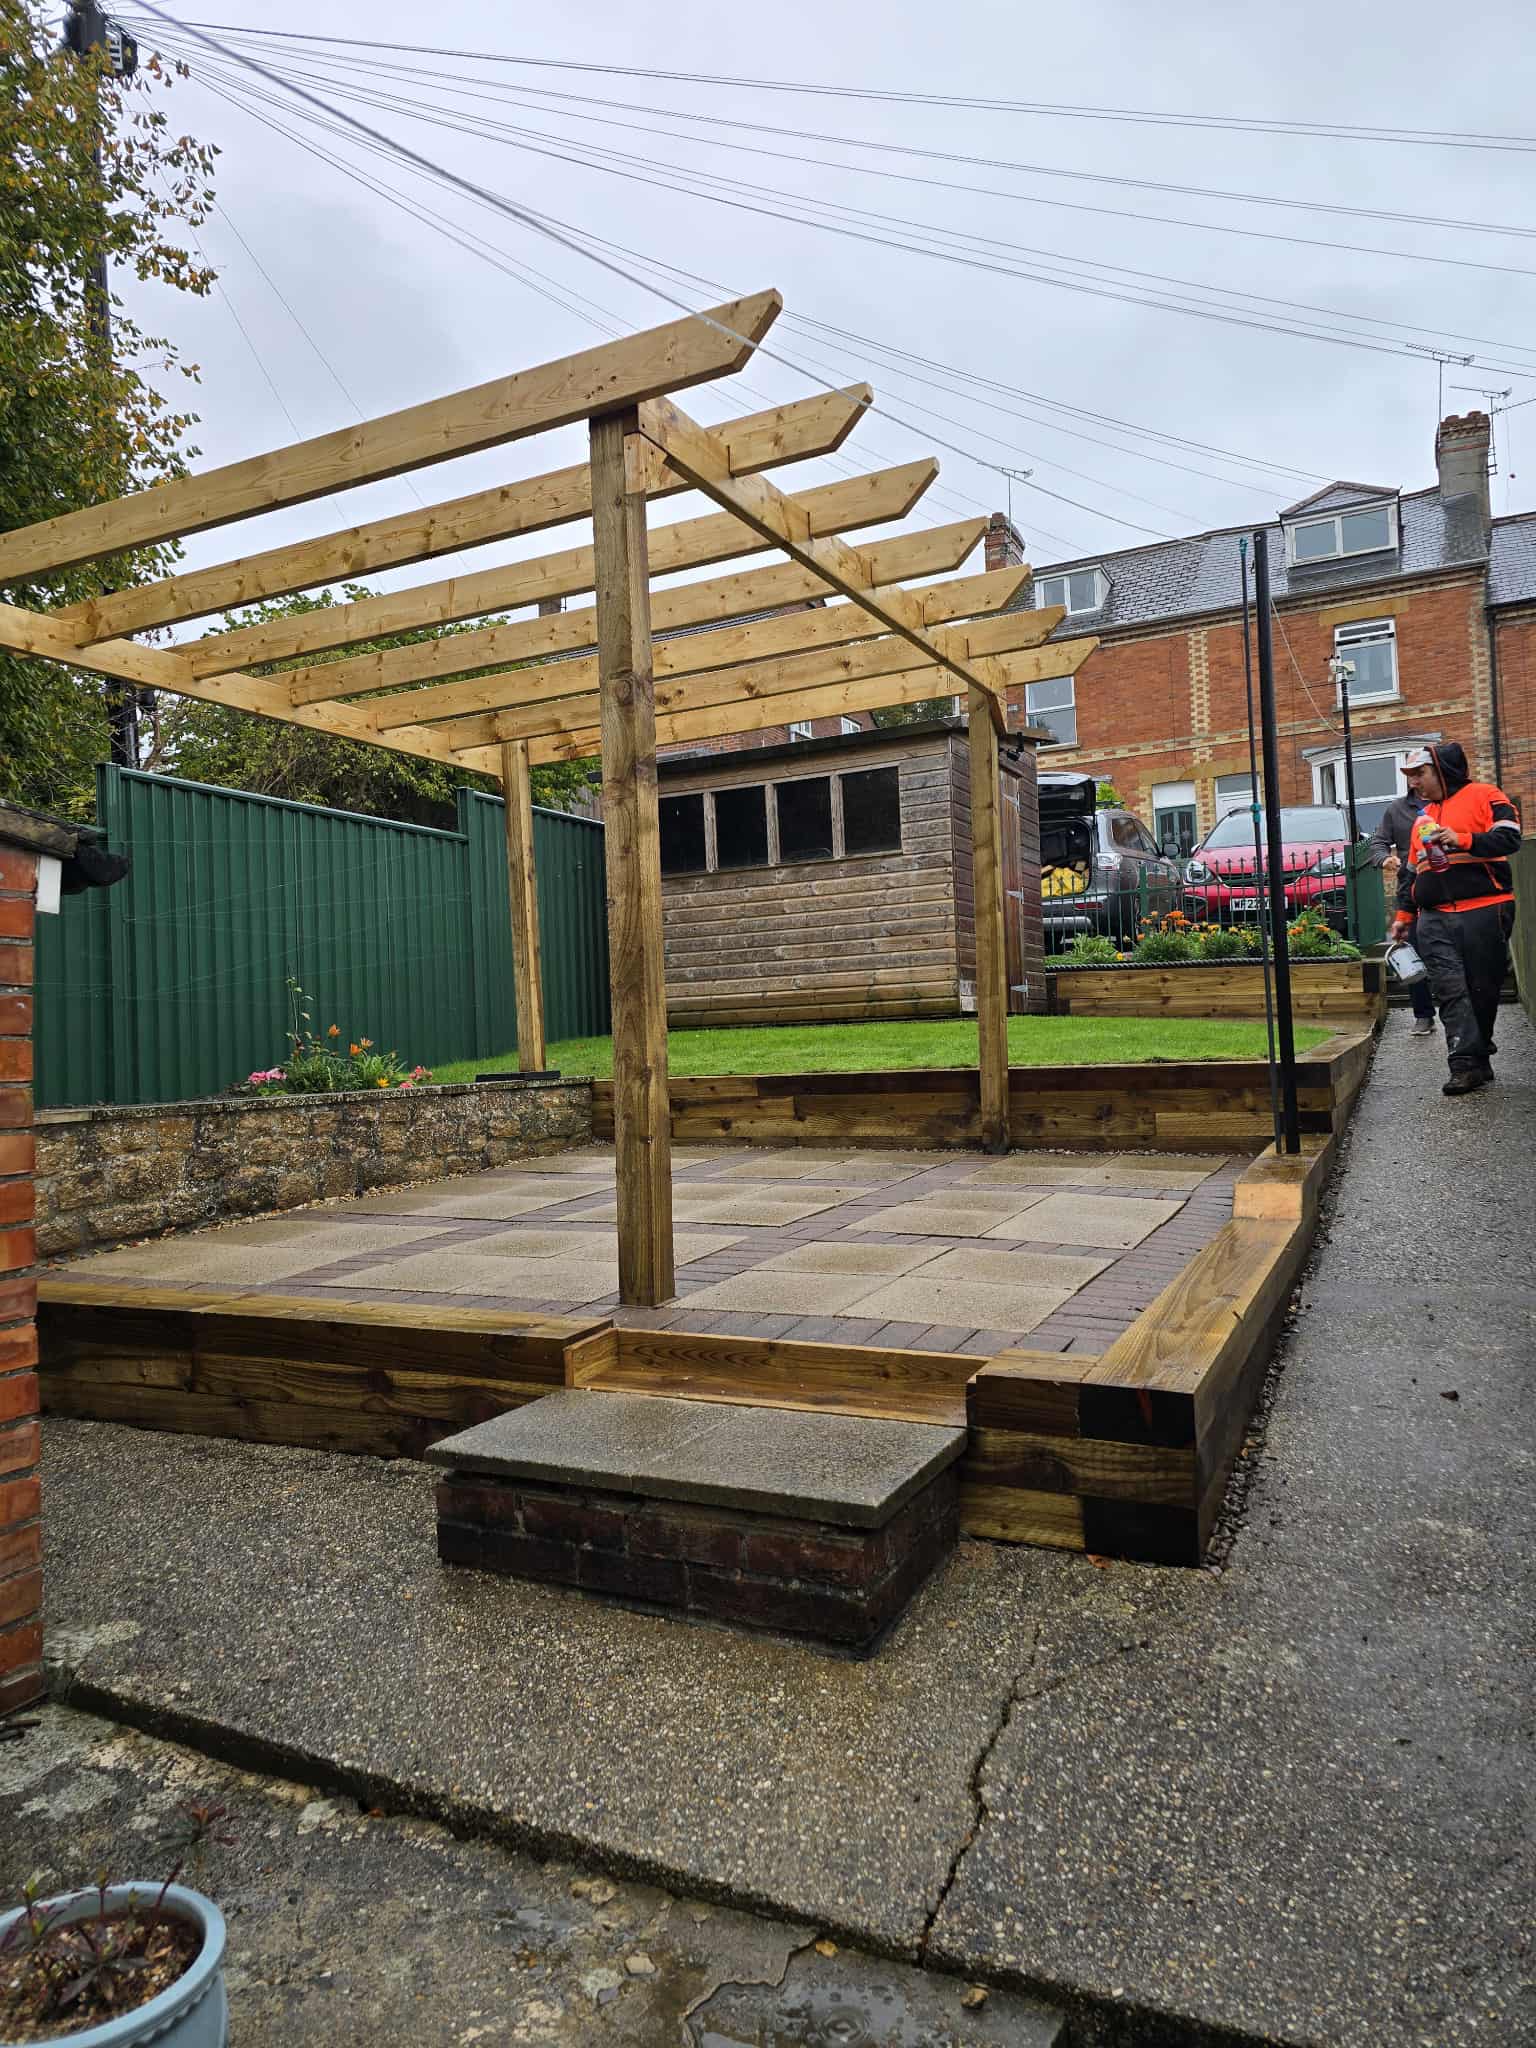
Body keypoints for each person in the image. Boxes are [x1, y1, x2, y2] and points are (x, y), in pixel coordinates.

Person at [1397, 742, 1522, 1096]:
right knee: (1450, 990)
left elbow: (1510, 838)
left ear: (1442, 770)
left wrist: (1462, 839)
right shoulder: (1421, 820)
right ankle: (1464, 1064)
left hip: (1487, 908)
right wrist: (1404, 914)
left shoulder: (1486, 795)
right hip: (1434, 918)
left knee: (1483, 989)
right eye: (1409, 777)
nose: (1413, 784)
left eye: (1419, 774)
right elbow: (1411, 873)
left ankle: (1479, 1055)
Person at [1368, 790, 1437, 1036]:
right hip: (1411, 891)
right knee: (1411, 953)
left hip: (1449, 889)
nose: (1416, 779)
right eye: (1411, 773)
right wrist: (1384, 858)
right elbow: (1377, 843)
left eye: (1421, 772)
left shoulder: (1446, 803)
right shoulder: (1396, 809)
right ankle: (1423, 1015)